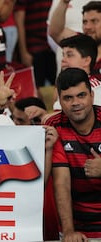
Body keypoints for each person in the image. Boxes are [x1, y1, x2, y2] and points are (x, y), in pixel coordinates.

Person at [45, 67, 101, 240]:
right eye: (68, 98)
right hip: (76, 229)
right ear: (59, 102)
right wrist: (69, 231)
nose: (76, 102)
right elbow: (61, 182)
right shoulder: (54, 126)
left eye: (81, 95)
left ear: (92, 95)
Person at [49, 1, 101, 80]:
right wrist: (64, 2)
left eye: (94, 21)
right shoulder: (78, 42)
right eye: (85, 22)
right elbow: (56, 32)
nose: (88, 27)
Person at [14, 0, 56, 93]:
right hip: (34, 48)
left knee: (61, 87)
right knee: (34, 91)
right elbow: (19, 21)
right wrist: (23, 52)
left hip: (54, 47)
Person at [53, 34, 101, 109]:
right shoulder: (64, 86)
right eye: (63, 55)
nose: (63, 60)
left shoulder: (98, 90)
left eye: (69, 55)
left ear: (86, 61)